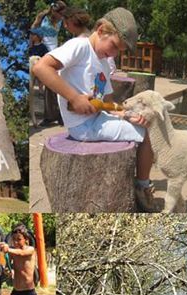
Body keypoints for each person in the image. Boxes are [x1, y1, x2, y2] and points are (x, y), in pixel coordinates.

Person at [33, 7, 156, 212]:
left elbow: (108, 101)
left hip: (97, 119)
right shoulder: (79, 46)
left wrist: (126, 115)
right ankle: (142, 186)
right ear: (100, 30)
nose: (115, 53)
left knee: (146, 125)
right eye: (115, 46)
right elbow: (41, 68)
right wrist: (74, 97)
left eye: (120, 51)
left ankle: (139, 181)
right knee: (149, 134)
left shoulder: (104, 63)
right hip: (84, 127)